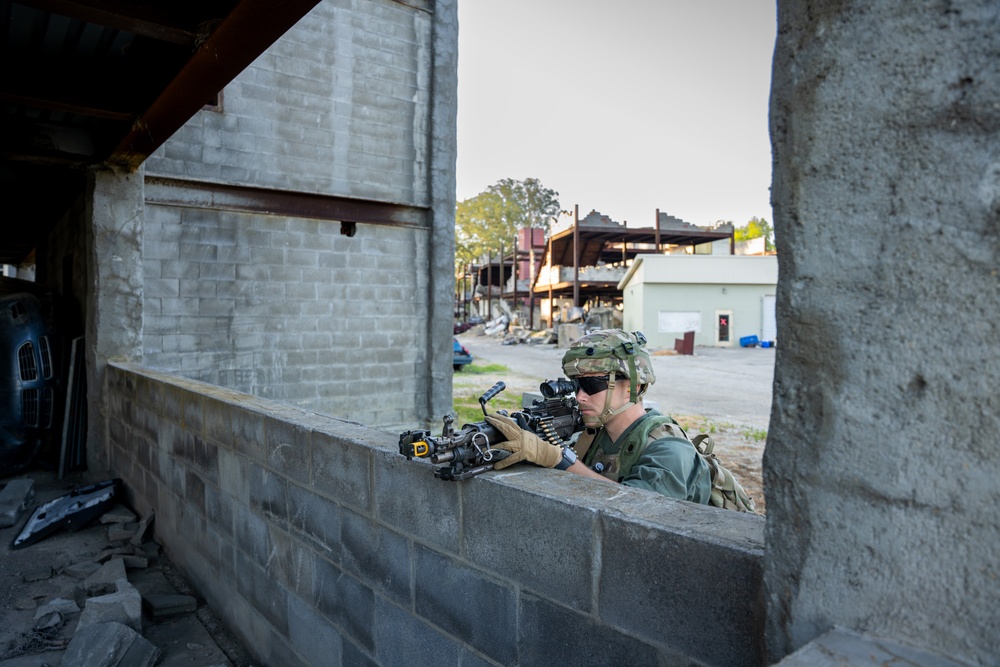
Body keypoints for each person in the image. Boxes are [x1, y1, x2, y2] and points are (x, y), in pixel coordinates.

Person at [485, 329, 713, 503]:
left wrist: (560, 460)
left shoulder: (670, 449)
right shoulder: (591, 436)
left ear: (632, 387)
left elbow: (641, 508)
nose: (580, 397)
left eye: (592, 384)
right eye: (577, 386)